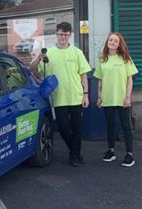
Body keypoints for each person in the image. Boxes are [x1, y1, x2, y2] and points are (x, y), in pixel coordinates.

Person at [30, 22, 92, 167]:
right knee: (63, 128)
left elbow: (83, 75)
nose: (62, 37)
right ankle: (75, 152)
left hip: (76, 96)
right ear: (56, 34)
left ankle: (74, 156)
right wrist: (39, 57)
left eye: (65, 34)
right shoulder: (49, 53)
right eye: (60, 34)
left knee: (77, 128)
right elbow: (33, 69)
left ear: (69, 35)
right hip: (58, 98)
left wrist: (86, 94)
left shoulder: (77, 52)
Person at [94, 32, 138, 167]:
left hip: (122, 99)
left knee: (126, 127)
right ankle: (111, 151)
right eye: (111, 40)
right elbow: (100, 80)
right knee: (110, 126)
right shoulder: (102, 59)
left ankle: (129, 155)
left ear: (119, 45)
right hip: (107, 99)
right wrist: (99, 97)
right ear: (108, 41)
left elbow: (130, 79)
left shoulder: (125, 59)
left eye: (115, 41)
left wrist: (128, 97)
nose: (112, 42)